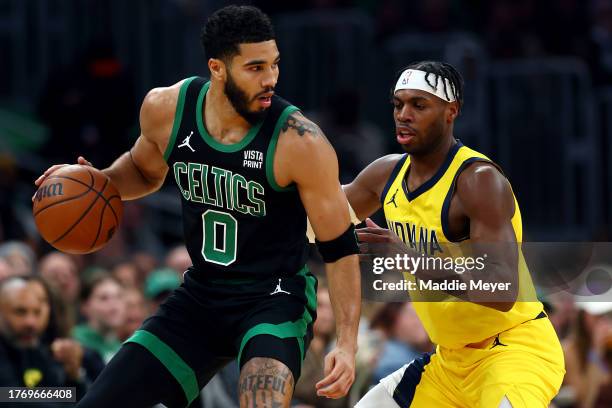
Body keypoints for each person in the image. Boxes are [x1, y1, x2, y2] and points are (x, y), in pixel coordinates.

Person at [34, 5, 360, 408]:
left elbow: (341, 247)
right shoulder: (167, 108)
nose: (271, 79)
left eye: (275, 65)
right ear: (218, 68)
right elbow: (142, 169)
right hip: (201, 294)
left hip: (274, 299)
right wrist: (93, 183)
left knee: (263, 401)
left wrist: (346, 343)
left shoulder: (300, 141)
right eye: (255, 68)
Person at [342, 61, 565, 407]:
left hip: (513, 351)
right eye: (399, 104)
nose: (404, 114)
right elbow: (319, 214)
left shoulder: (478, 181)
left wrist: (411, 260)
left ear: (451, 111)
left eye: (419, 105)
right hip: (449, 363)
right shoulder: (385, 174)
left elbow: (501, 288)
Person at [0, 276, 87, 404]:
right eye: (20, 312)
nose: (31, 322)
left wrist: (74, 374)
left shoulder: (35, 347)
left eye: (37, 312)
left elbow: (72, 398)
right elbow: (7, 397)